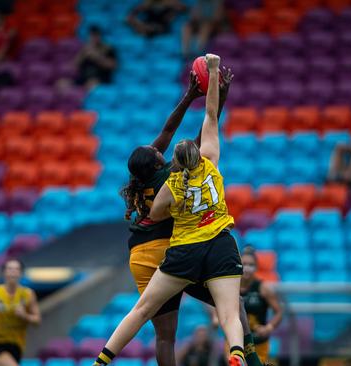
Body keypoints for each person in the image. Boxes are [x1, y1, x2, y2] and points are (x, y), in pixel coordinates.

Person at [90, 54, 245, 366]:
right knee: (233, 307)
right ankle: (245, 355)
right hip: (178, 249)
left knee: (161, 332)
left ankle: (101, 361)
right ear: (159, 162)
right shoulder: (177, 176)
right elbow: (208, 126)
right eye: (154, 151)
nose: (156, 146)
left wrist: (190, 95)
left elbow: (168, 134)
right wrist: (216, 92)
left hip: (139, 254)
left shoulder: (143, 179)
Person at [0, 259, 41, 366]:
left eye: (16, 269)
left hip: (17, 346)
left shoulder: (28, 295)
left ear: (21, 273)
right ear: (4, 272)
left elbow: (37, 320)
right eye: (10, 269)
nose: (13, 272)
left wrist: (25, 316)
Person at [238, 251, 283, 364]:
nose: (247, 268)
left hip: (259, 342)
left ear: (256, 267)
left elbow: (279, 312)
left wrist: (269, 328)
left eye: (251, 265)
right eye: (245, 264)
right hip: (236, 342)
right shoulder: (231, 286)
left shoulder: (263, 288)